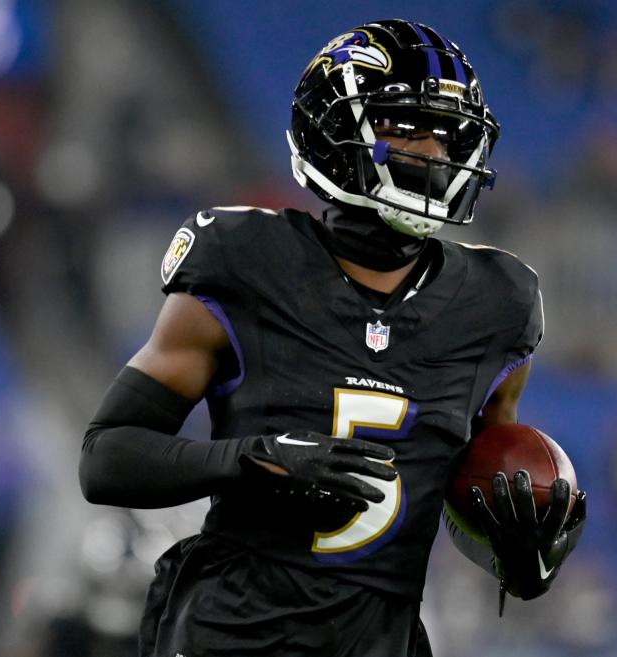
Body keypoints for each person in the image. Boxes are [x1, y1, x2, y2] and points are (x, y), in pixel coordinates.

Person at [79, 18, 586, 657]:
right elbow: (107, 457)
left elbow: (478, 513)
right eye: (407, 127)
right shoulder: (245, 261)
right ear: (334, 134)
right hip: (233, 634)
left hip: (380, 641)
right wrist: (253, 460)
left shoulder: (498, 305)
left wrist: (525, 557)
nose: (435, 152)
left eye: (449, 134)